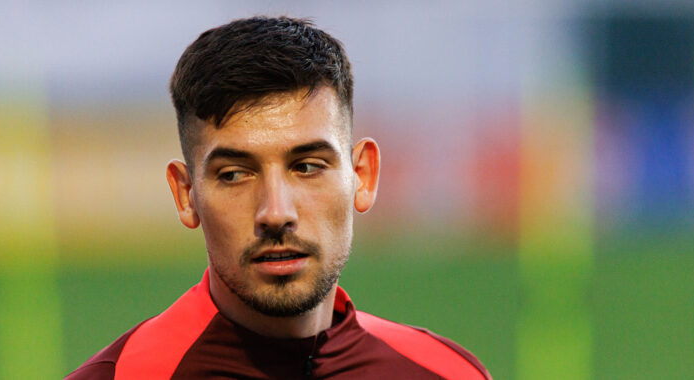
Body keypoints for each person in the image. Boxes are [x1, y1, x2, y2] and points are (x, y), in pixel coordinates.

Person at [66, 16, 491, 380]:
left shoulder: (445, 373)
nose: (276, 212)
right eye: (234, 175)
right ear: (186, 194)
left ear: (362, 176)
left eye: (307, 167)